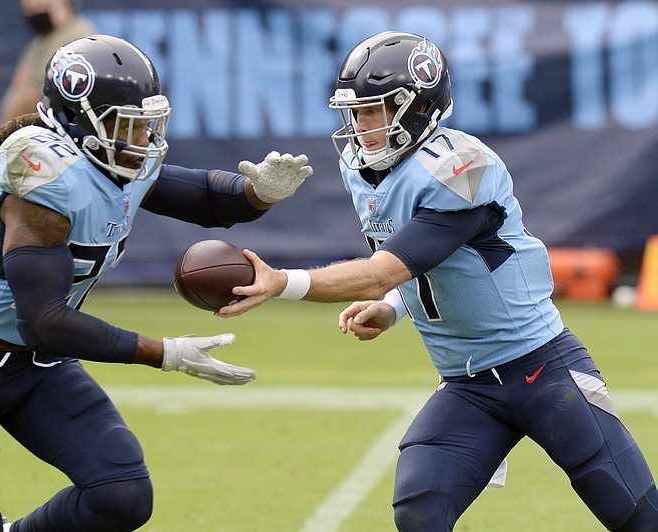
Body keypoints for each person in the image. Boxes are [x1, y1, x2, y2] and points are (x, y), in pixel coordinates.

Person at [218, 31, 658, 531]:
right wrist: (393, 305)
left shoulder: (462, 169)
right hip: (468, 384)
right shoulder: (361, 168)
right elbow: (422, 261)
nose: (360, 128)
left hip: (541, 368)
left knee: (638, 516)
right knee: (420, 507)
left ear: (420, 107)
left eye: (374, 111)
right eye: (355, 113)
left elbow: (389, 267)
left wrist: (284, 283)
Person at [0, 34, 312, 532]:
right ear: (77, 120)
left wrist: (258, 192)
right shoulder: (44, 178)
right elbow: (45, 322)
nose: (143, 139)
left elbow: (207, 198)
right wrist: (163, 352)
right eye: (128, 125)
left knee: (121, 494)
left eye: (148, 125)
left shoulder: (116, 161)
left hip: (34, 365)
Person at [0, 0, 97, 240]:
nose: (31, 7)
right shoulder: (43, 41)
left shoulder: (76, 40)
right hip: (29, 144)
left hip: (54, 150)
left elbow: (36, 98)